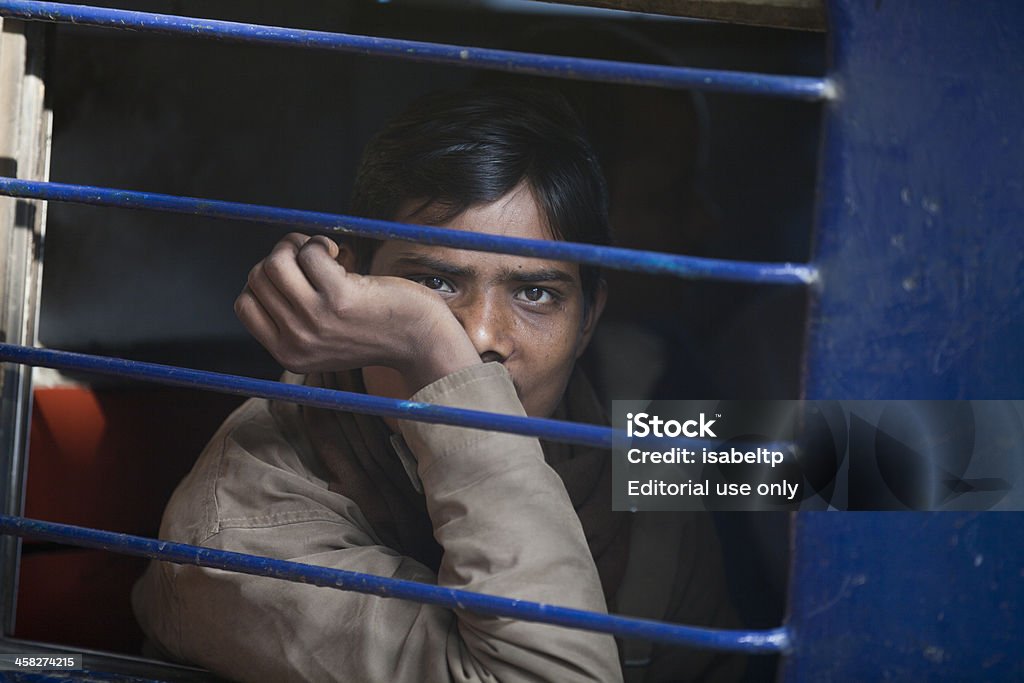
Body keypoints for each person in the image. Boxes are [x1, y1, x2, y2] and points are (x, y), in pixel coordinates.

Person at [132, 87, 740, 682]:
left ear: (588, 322)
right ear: (352, 287)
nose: (478, 336)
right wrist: (433, 351)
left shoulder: (651, 460)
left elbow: (823, 466)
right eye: (433, 283)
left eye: (535, 293)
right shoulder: (242, 522)